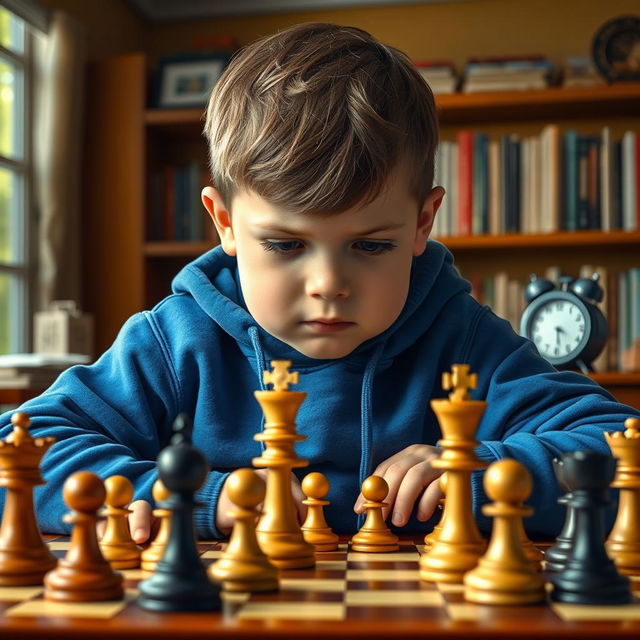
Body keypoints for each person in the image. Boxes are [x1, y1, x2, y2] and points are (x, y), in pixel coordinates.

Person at [0, 23, 637, 543]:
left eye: (371, 245)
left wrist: (483, 468)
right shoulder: (173, 345)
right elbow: (17, 456)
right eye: (285, 245)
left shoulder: (465, 341)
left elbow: (620, 452)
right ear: (223, 222)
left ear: (422, 224)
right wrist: (197, 499)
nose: (329, 283)